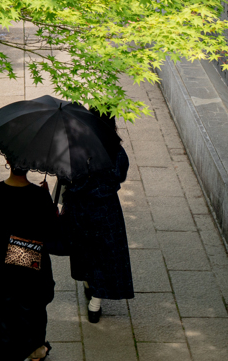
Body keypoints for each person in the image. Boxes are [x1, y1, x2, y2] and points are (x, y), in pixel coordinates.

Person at [0, 163, 56, 361]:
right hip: (32, 263)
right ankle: (35, 350)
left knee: (2, 315)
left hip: (1, 264)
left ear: (8, 162)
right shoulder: (39, 196)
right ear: (30, 166)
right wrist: (47, 200)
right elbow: (52, 233)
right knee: (33, 310)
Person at [60, 113, 134, 323]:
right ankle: (96, 303)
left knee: (83, 248)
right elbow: (120, 174)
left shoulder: (75, 147)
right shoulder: (115, 150)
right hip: (105, 210)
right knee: (105, 254)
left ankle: (86, 282)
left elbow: (65, 176)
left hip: (79, 208)